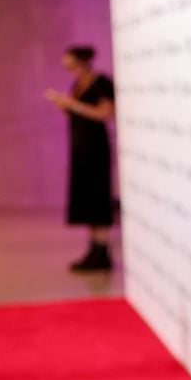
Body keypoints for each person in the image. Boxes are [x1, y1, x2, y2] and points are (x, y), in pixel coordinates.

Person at [44, 45, 116, 271]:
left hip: (96, 149)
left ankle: (102, 251)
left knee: (98, 198)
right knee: (88, 199)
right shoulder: (78, 84)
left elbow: (105, 113)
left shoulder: (101, 83)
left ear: (82, 62)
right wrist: (64, 105)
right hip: (81, 149)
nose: (70, 70)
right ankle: (94, 250)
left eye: (72, 65)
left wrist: (73, 104)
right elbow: (76, 112)